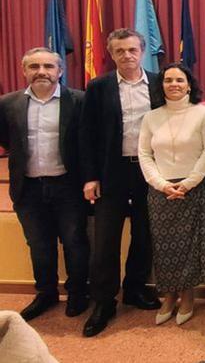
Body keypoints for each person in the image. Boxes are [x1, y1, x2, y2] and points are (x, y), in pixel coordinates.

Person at [79, 28, 162, 337]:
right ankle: (103, 301)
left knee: (145, 233)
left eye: (132, 50)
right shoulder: (98, 87)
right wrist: (90, 176)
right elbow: (86, 136)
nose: (127, 55)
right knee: (105, 240)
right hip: (111, 172)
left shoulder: (158, 83)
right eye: (120, 51)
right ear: (111, 54)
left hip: (148, 170)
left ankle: (135, 288)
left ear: (142, 51)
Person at [0, 48, 89, 321]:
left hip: (68, 186)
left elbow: (87, 143)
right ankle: (46, 293)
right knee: (39, 244)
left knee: (74, 242)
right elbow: (7, 141)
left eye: (49, 66)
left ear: (60, 71)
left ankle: (77, 293)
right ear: (24, 70)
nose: (42, 71)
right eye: (35, 66)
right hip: (28, 188)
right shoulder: (7, 103)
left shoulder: (79, 101)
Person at [138, 63, 205, 326]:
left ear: (189, 84)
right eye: (168, 80)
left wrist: (190, 182)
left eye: (179, 80)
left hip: (192, 189)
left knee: (188, 246)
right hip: (160, 191)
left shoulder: (203, 114)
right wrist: (161, 184)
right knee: (163, 247)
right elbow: (144, 154)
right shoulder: (151, 117)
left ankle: (188, 296)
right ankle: (169, 296)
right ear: (161, 85)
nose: (174, 84)